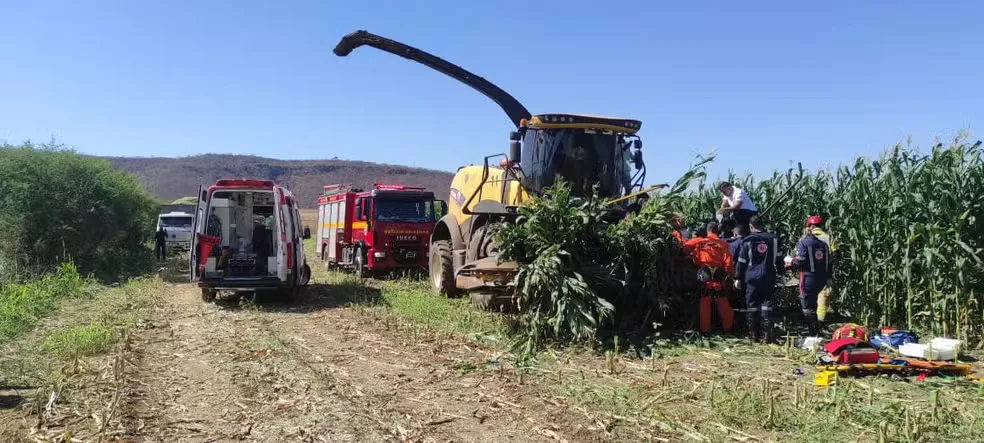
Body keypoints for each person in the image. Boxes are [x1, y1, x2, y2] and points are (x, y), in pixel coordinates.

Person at [735, 216, 782, 344]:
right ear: (763, 224)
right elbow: (779, 259)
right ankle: (767, 337)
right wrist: (781, 272)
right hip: (768, 275)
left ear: (751, 226)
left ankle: (754, 336)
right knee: (767, 304)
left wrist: (738, 277)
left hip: (752, 276)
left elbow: (741, 261)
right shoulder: (774, 239)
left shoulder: (747, 240)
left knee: (752, 304)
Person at [683, 222, 735, 334]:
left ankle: (705, 330)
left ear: (707, 230)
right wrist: (729, 275)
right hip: (718, 275)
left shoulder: (700, 242)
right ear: (718, 231)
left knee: (705, 301)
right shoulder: (722, 243)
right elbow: (729, 263)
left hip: (705, 273)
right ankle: (727, 328)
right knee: (722, 300)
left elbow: (686, 251)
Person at [788, 222, 831, 336]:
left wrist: (790, 261)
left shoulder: (803, 242)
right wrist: (829, 277)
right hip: (821, 278)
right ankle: (816, 330)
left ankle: (813, 333)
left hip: (808, 277)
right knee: (814, 304)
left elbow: (800, 260)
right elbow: (829, 262)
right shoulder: (824, 244)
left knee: (807, 305)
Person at [805, 215, 835, 324]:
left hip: (809, 275)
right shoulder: (829, 237)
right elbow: (835, 255)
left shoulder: (805, 239)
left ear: (810, 227)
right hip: (825, 273)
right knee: (823, 298)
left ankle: (811, 324)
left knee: (810, 299)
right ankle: (820, 322)